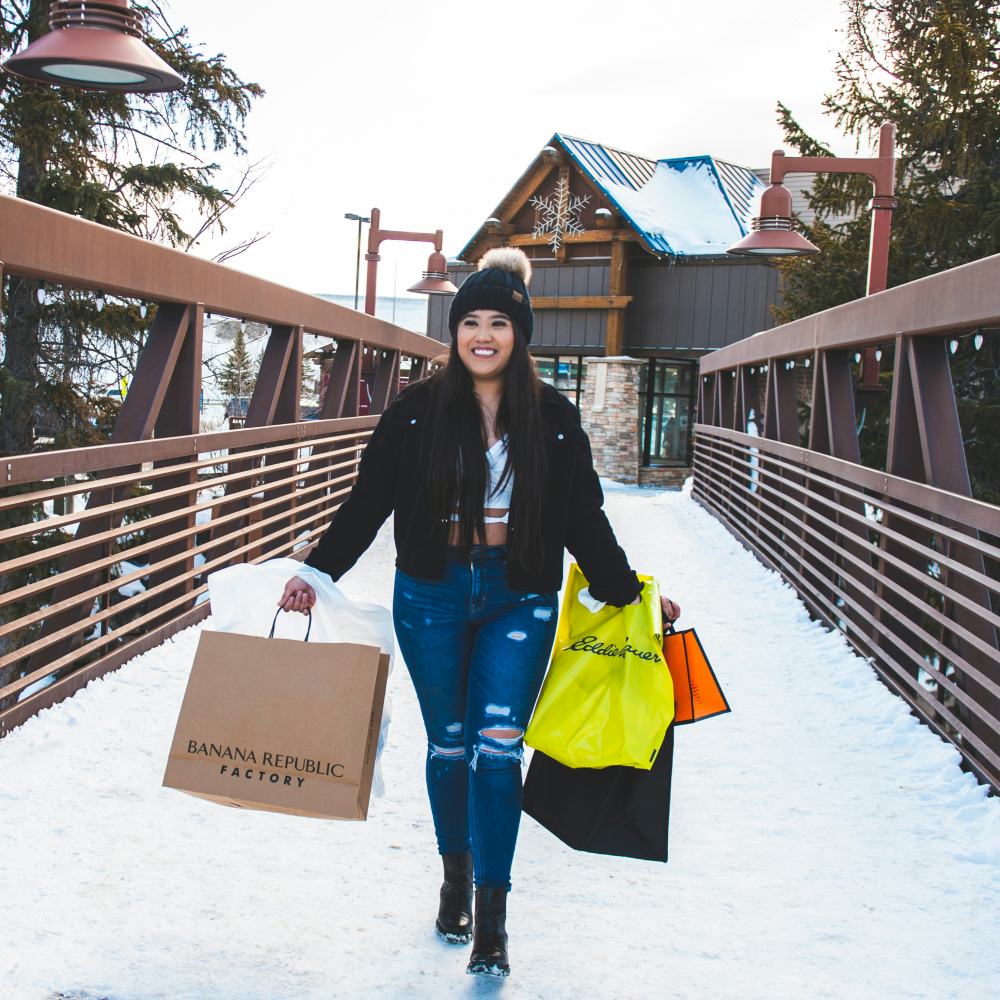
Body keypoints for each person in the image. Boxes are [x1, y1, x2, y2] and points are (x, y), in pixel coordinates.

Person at [278, 247, 681, 979]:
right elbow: (367, 503)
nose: (484, 335)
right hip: (430, 593)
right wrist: (315, 570)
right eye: (471, 322)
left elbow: (583, 519)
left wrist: (629, 593)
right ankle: (454, 877)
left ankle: (492, 919)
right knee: (450, 746)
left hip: (517, 595)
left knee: (498, 751)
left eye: (500, 322)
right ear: (456, 333)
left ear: (520, 333)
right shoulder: (414, 414)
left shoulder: (553, 420)